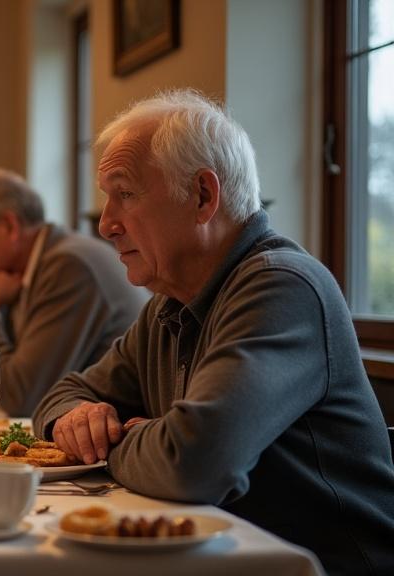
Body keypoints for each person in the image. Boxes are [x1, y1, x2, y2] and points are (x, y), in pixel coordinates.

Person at [33, 89, 394, 575]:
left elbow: (192, 466)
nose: (106, 224)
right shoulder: (169, 302)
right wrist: (75, 420)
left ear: (203, 196)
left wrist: (113, 444)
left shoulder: (281, 287)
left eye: (125, 194)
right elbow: (65, 393)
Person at [0, 169, 148, 417]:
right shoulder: (30, 266)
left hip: (119, 434)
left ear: (10, 226)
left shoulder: (69, 266)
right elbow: (18, 369)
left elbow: (20, 399)